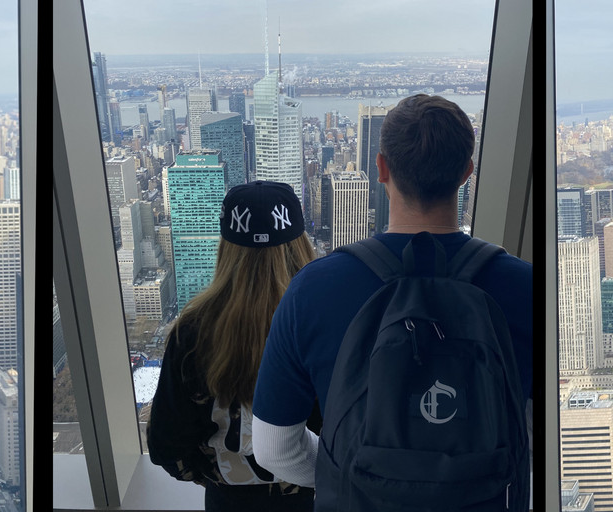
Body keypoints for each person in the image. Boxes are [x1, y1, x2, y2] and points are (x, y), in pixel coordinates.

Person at [252, 94, 532, 492]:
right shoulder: (524, 286)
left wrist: (354, 480)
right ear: (466, 172)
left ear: (381, 168)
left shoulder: (313, 290)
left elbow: (275, 450)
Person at [147, 180, 321, 511]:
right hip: (310, 500)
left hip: (227, 501)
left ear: (226, 249)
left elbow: (166, 446)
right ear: (300, 246)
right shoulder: (324, 324)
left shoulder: (191, 334)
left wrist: (213, 475)